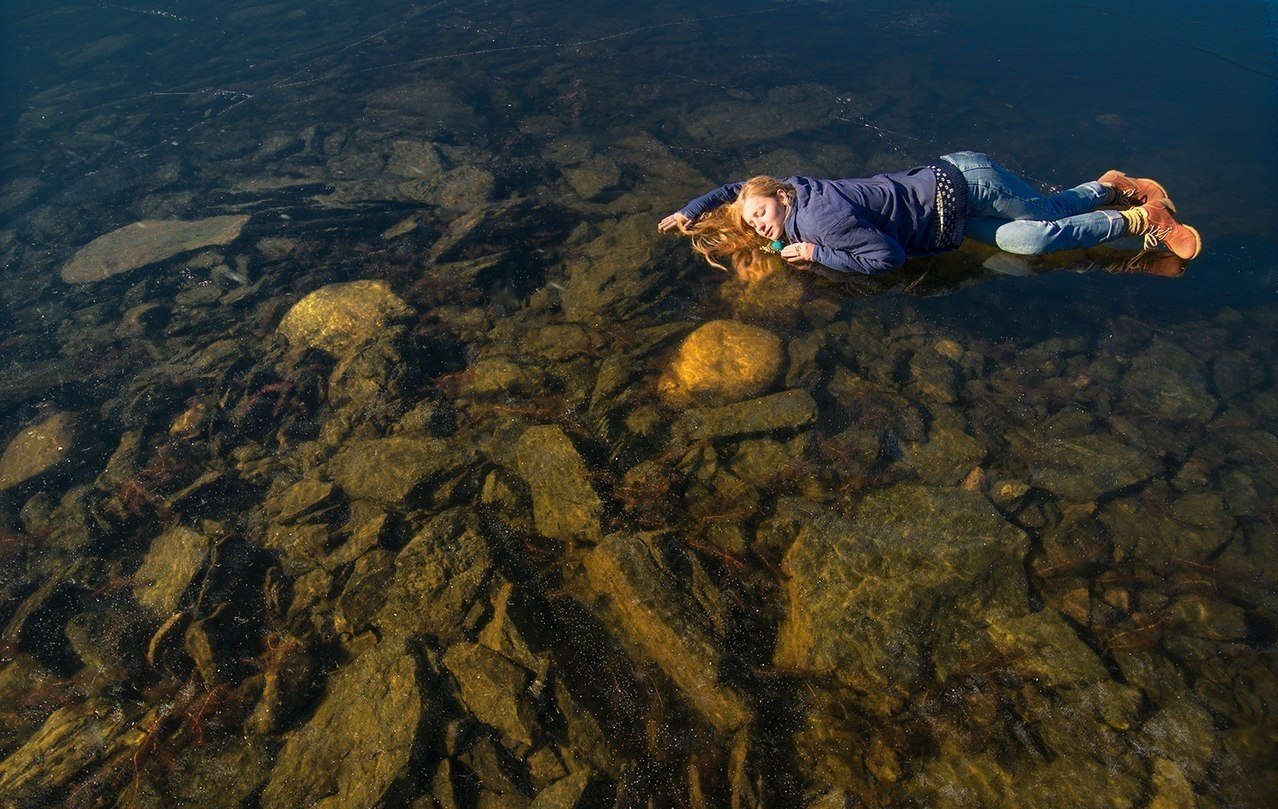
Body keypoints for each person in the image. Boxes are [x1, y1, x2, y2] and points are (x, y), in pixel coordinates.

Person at [657, 150, 1201, 274]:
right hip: (950, 217)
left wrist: (821, 254)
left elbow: (887, 257)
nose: (756, 222)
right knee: (1030, 241)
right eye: (752, 220)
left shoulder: (818, 219)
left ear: (780, 197)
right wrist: (694, 209)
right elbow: (736, 189)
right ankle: (1124, 203)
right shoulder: (793, 192)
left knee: (1047, 213)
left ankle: (1129, 202)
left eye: (759, 213)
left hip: (967, 184)